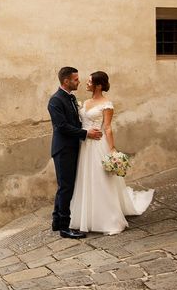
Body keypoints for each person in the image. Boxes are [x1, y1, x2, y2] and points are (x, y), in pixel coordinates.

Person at [70, 71, 154, 235]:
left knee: (101, 180)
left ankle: (108, 218)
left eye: (89, 81)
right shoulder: (86, 101)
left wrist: (112, 148)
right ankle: (86, 216)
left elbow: (107, 128)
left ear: (98, 85)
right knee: (85, 178)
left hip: (97, 144)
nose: (86, 84)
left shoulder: (107, 104)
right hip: (84, 145)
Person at [48, 67, 102, 239]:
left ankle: (57, 221)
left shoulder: (70, 97)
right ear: (66, 81)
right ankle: (65, 228)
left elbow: (75, 121)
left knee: (64, 186)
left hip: (72, 147)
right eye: (76, 79)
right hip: (63, 149)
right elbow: (62, 126)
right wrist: (86, 134)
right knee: (66, 188)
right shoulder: (56, 100)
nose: (79, 81)